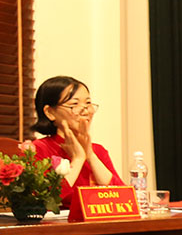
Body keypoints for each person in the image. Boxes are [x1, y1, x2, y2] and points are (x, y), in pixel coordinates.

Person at [30, 76, 122, 210]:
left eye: (88, 103)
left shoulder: (98, 150)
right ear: (50, 112)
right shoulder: (38, 149)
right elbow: (48, 202)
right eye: (74, 105)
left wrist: (90, 155)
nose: (85, 111)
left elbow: (123, 198)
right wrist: (78, 158)